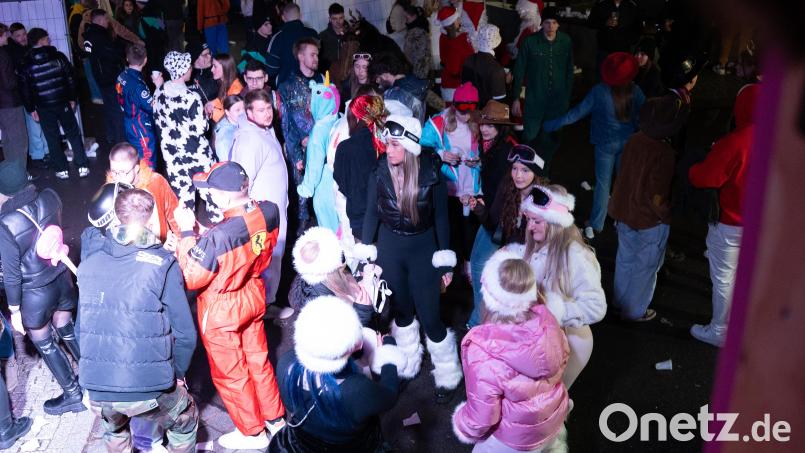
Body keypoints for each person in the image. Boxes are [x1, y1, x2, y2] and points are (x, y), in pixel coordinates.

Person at [77, 189, 199, 453]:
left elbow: (80, 331)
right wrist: (177, 375)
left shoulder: (88, 265)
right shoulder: (163, 264)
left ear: (116, 219)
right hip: (151, 390)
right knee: (185, 421)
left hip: (99, 392)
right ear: (152, 219)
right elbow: (186, 334)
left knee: (114, 426)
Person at [174, 162, 286, 450]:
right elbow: (238, 231)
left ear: (222, 196)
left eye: (210, 190)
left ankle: (252, 433)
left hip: (223, 306)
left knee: (232, 373)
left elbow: (190, 276)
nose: (208, 194)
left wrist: (187, 235)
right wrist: (206, 235)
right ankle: (274, 418)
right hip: (252, 292)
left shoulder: (218, 238)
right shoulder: (269, 210)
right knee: (258, 361)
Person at [362, 115, 463, 404]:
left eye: (394, 145)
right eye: (386, 144)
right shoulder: (379, 172)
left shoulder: (432, 174)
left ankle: (448, 373)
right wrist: (366, 253)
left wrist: (445, 260)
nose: (387, 150)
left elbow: (443, 218)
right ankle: (408, 361)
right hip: (390, 249)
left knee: (431, 318)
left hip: (424, 250)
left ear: (409, 146)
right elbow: (371, 213)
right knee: (403, 313)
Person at [452, 249, 569, 451]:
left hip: (513, 439)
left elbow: (482, 417)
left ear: (489, 299)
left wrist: (462, 423)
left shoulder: (484, 352)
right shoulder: (548, 322)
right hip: (550, 421)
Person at [269, 296, 405, 452]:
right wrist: (388, 352)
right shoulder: (358, 390)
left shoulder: (286, 363)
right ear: (357, 345)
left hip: (301, 442)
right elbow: (390, 396)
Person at [0, 162, 83, 415]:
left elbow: (12, 275)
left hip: (35, 295)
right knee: (67, 329)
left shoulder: (5, 225)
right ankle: (95, 378)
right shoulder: (50, 197)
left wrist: (14, 310)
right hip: (61, 278)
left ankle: (73, 394)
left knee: (44, 342)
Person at [511, 184, 606, 395]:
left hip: (571, 342)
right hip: (541, 339)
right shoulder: (538, 242)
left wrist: (553, 311)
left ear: (555, 223)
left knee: (553, 401)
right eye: (529, 219)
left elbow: (596, 306)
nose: (530, 227)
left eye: (537, 221)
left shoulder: (577, 256)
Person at [544, 52, 645, 239]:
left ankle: (597, 223)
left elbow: (576, 113)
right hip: (628, 144)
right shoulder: (636, 91)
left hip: (604, 145)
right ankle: (622, 220)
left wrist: (550, 124)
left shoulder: (599, 91)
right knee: (624, 183)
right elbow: (644, 116)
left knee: (602, 185)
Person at [687, 83, 759, 347]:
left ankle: (720, 330)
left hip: (730, 225)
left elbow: (704, 177)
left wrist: (695, 167)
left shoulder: (736, 142)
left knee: (724, 278)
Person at [609, 96, 689, 321]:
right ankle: (635, 312)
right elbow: (658, 195)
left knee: (624, 260)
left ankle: (619, 303)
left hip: (624, 213)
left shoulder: (634, 140)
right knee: (645, 268)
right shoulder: (664, 153)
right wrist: (667, 215)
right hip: (649, 221)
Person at [468, 142, 543, 328]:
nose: (518, 175)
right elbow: (492, 223)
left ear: (536, 173)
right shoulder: (507, 186)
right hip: (503, 238)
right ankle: (478, 320)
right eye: (515, 169)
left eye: (525, 170)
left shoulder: (543, 198)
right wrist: (478, 209)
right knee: (479, 266)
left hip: (529, 250)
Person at [230, 89, 289, 307]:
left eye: (269, 109)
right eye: (261, 110)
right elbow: (242, 184)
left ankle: (266, 304)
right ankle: (262, 308)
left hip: (274, 212)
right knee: (265, 260)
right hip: (263, 217)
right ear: (249, 112)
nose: (268, 114)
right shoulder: (249, 140)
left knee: (273, 259)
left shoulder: (265, 129)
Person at [421, 82, 482, 274]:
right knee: (451, 228)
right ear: (454, 106)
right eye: (462, 111)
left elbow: (488, 150)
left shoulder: (479, 122)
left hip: (470, 184)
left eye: (470, 112)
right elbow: (421, 148)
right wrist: (441, 154)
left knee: (470, 228)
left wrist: (479, 161)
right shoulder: (438, 122)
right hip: (448, 186)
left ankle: (469, 264)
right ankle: (449, 271)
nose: (466, 116)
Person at [18, 28, 90, 180]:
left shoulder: (26, 63)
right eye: (46, 38)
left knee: (52, 137)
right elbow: (71, 79)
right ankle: (82, 166)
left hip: (43, 107)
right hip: (63, 102)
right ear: (41, 40)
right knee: (73, 133)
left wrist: (31, 109)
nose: (49, 40)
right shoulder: (59, 57)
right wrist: (72, 99)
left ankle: (62, 170)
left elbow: (25, 90)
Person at [153, 51, 217, 219]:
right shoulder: (191, 97)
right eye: (188, 66)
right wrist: (206, 114)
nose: (191, 69)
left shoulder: (159, 92)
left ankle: (187, 235)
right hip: (196, 154)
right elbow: (201, 127)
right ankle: (217, 231)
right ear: (182, 71)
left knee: (183, 200)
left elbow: (157, 118)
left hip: (173, 156)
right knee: (212, 193)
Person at [511, 6, 574, 176]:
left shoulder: (566, 41)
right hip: (535, 99)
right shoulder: (530, 42)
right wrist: (516, 97)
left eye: (554, 23)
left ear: (558, 25)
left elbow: (569, 71)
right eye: (547, 23)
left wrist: (567, 97)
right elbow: (519, 70)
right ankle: (526, 173)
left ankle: (543, 174)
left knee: (552, 139)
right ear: (542, 23)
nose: (551, 27)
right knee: (530, 137)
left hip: (557, 102)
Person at [290, 228, 380, 326]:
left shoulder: (332, 271)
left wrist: (358, 281)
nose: (342, 255)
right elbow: (341, 334)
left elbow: (344, 278)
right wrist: (362, 312)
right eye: (339, 255)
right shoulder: (320, 302)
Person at [279, 37, 324, 234]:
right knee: (301, 193)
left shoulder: (324, 81)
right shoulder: (286, 86)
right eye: (312, 54)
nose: (316, 58)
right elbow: (286, 124)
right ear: (300, 56)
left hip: (322, 145)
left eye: (317, 54)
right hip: (301, 147)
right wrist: (297, 151)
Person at [334, 94, 386, 241]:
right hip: (387, 216)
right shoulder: (385, 144)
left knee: (366, 260)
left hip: (359, 218)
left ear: (356, 118)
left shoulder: (345, 148)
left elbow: (341, 181)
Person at [106, 142, 180, 242]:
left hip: (161, 245)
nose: (117, 177)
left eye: (123, 172)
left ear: (136, 168)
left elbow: (174, 214)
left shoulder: (156, 182)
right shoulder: (110, 190)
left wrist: (181, 246)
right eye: (114, 172)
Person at [297, 75, 341, 234]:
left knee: (327, 223)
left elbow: (315, 164)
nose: (309, 106)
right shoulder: (337, 119)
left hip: (324, 182)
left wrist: (307, 187)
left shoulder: (318, 131)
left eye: (311, 101)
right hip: (338, 178)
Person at [8, 24, 50, 166]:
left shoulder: (22, 50)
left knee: (39, 125)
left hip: (32, 93)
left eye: (24, 34)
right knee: (34, 126)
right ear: (11, 37)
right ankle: (39, 155)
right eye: (18, 36)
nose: (22, 38)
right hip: (25, 95)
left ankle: (43, 152)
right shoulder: (13, 53)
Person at [83, 8, 126, 146]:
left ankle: (111, 137)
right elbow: (112, 54)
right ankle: (121, 140)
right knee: (117, 109)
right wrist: (120, 47)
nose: (108, 21)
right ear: (100, 20)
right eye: (106, 19)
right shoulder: (99, 36)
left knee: (108, 108)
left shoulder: (89, 35)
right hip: (110, 76)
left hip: (101, 77)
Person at [117, 43, 158, 168]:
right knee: (148, 162)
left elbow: (120, 95)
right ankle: (146, 187)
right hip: (140, 126)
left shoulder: (121, 76)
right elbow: (153, 108)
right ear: (145, 60)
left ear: (128, 58)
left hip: (128, 121)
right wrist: (159, 87)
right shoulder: (138, 86)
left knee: (136, 157)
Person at [0, 24, 29, 181]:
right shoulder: (3, 55)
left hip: (1, 105)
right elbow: (9, 83)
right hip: (10, 103)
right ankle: (20, 177)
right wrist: (18, 76)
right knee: (19, 141)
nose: (7, 37)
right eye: (5, 35)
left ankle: (10, 175)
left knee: (7, 141)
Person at [266, 2, 317, 86]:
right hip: (312, 84)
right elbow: (320, 61)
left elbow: (271, 70)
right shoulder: (313, 34)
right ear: (300, 16)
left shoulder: (277, 38)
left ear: (283, 18)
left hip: (286, 88)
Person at [371, 51, 428, 124]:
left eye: (378, 78)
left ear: (385, 75)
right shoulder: (416, 83)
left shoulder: (393, 94)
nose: (377, 82)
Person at [587, 0, 640, 72]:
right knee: (602, 75)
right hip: (604, 50)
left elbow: (638, 27)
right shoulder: (602, 3)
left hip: (623, 51)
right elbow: (590, 22)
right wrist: (605, 22)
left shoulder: (632, 5)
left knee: (621, 76)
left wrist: (630, 41)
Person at [461, 24, 506, 107]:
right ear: (496, 44)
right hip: (487, 116)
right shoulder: (496, 69)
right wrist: (505, 81)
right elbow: (500, 103)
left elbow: (464, 88)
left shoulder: (468, 60)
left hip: (468, 112)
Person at [436, 6, 474, 103]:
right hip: (457, 85)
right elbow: (455, 69)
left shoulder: (443, 37)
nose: (459, 20)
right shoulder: (459, 41)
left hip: (447, 83)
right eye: (457, 19)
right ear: (452, 22)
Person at [208, 53, 244, 123]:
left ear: (225, 68)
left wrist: (213, 112)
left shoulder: (236, 90)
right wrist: (211, 104)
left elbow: (231, 119)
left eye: (215, 66)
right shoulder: (224, 82)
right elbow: (222, 100)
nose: (212, 69)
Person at [403, 5, 431, 81]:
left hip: (419, 72)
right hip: (418, 70)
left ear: (414, 16)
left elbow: (421, 55)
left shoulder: (417, 32)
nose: (405, 21)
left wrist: (414, 71)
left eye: (407, 18)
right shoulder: (416, 30)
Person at [318, 3, 346, 78]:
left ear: (344, 17)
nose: (338, 21)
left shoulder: (350, 35)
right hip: (330, 76)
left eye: (341, 18)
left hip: (347, 76)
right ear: (330, 19)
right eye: (335, 18)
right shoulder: (322, 36)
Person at [213, 94, 243, 160]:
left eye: (244, 108)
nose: (242, 113)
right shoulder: (224, 137)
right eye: (237, 110)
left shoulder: (239, 123)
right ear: (227, 112)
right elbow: (228, 164)